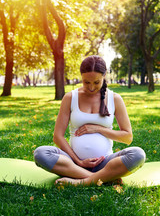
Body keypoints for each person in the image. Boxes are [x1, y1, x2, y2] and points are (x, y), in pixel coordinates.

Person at [34, 55, 146, 186]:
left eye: (96, 82)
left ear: (104, 77)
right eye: (86, 82)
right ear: (81, 77)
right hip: (73, 163)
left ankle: (81, 182)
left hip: (105, 163)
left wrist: (98, 129)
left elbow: (127, 137)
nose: (91, 87)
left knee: (138, 155)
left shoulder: (115, 99)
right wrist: (78, 161)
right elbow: (57, 136)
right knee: (40, 153)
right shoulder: (70, 97)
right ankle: (100, 179)